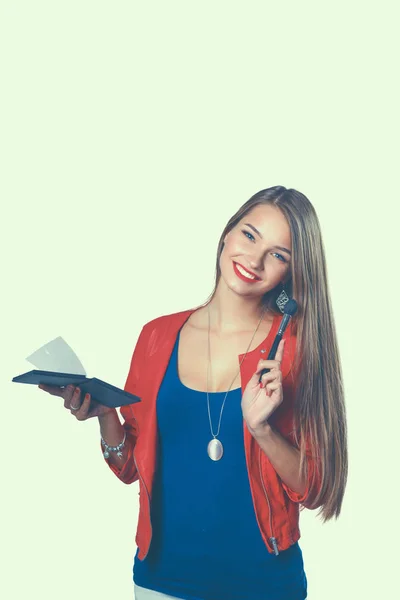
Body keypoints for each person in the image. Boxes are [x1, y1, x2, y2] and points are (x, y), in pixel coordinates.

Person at [39, 185, 348, 600]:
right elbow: (129, 466)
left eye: (278, 254)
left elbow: (316, 488)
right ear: (227, 234)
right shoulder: (156, 336)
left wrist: (262, 431)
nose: (253, 260)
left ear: (291, 272)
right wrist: (105, 414)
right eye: (249, 235)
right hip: (162, 581)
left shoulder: (297, 349)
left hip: (264, 585)